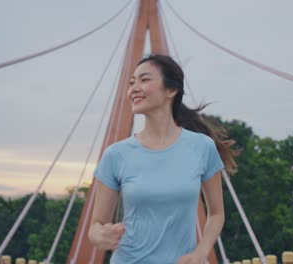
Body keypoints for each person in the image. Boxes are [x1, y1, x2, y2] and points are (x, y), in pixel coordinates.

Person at [88, 54, 238, 263]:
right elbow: (96, 224)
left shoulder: (202, 147)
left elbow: (216, 214)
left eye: (145, 80)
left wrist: (201, 252)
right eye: (132, 82)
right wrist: (100, 235)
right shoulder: (116, 155)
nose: (134, 88)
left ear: (171, 90)